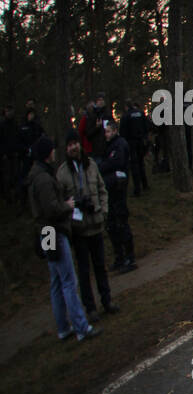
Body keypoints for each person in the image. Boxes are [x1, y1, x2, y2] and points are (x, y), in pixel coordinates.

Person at [28, 136, 98, 341]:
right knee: (68, 279)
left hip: (45, 231)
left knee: (57, 280)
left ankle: (63, 327)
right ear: (46, 153)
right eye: (51, 150)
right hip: (53, 230)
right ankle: (81, 327)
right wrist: (67, 205)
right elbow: (51, 209)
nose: (54, 152)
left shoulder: (38, 175)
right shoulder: (43, 179)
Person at [57, 129, 118, 321]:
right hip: (79, 229)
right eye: (70, 145)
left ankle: (106, 300)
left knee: (101, 266)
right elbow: (59, 203)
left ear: (80, 144)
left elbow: (102, 189)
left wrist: (103, 210)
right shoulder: (62, 173)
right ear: (66, 149)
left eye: (75, 143)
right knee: (84, 271)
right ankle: (90, 307)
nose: (74, 147)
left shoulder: (91, 165)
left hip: (96, 224)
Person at [102, 119, 136, 272]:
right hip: (110, 189)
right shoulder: (109, 146)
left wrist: (103, 166)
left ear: (115, 131)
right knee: (112, 225)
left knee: (121, 222)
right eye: (105, 131)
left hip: (119, 189)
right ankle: (120, 257)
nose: (106, 134)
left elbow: (117, 162)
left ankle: (130, 257)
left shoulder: (120, 144)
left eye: (108, 131)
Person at [119, 99, 151, 193]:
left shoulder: (126, 116)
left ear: (126, 107)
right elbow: (147, 126)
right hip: (141, 141)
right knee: (141, 163)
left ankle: (137, 188)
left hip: (131, 142)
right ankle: (145, 184)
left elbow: (122, 132)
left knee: (134, 165)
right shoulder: (140, 113)